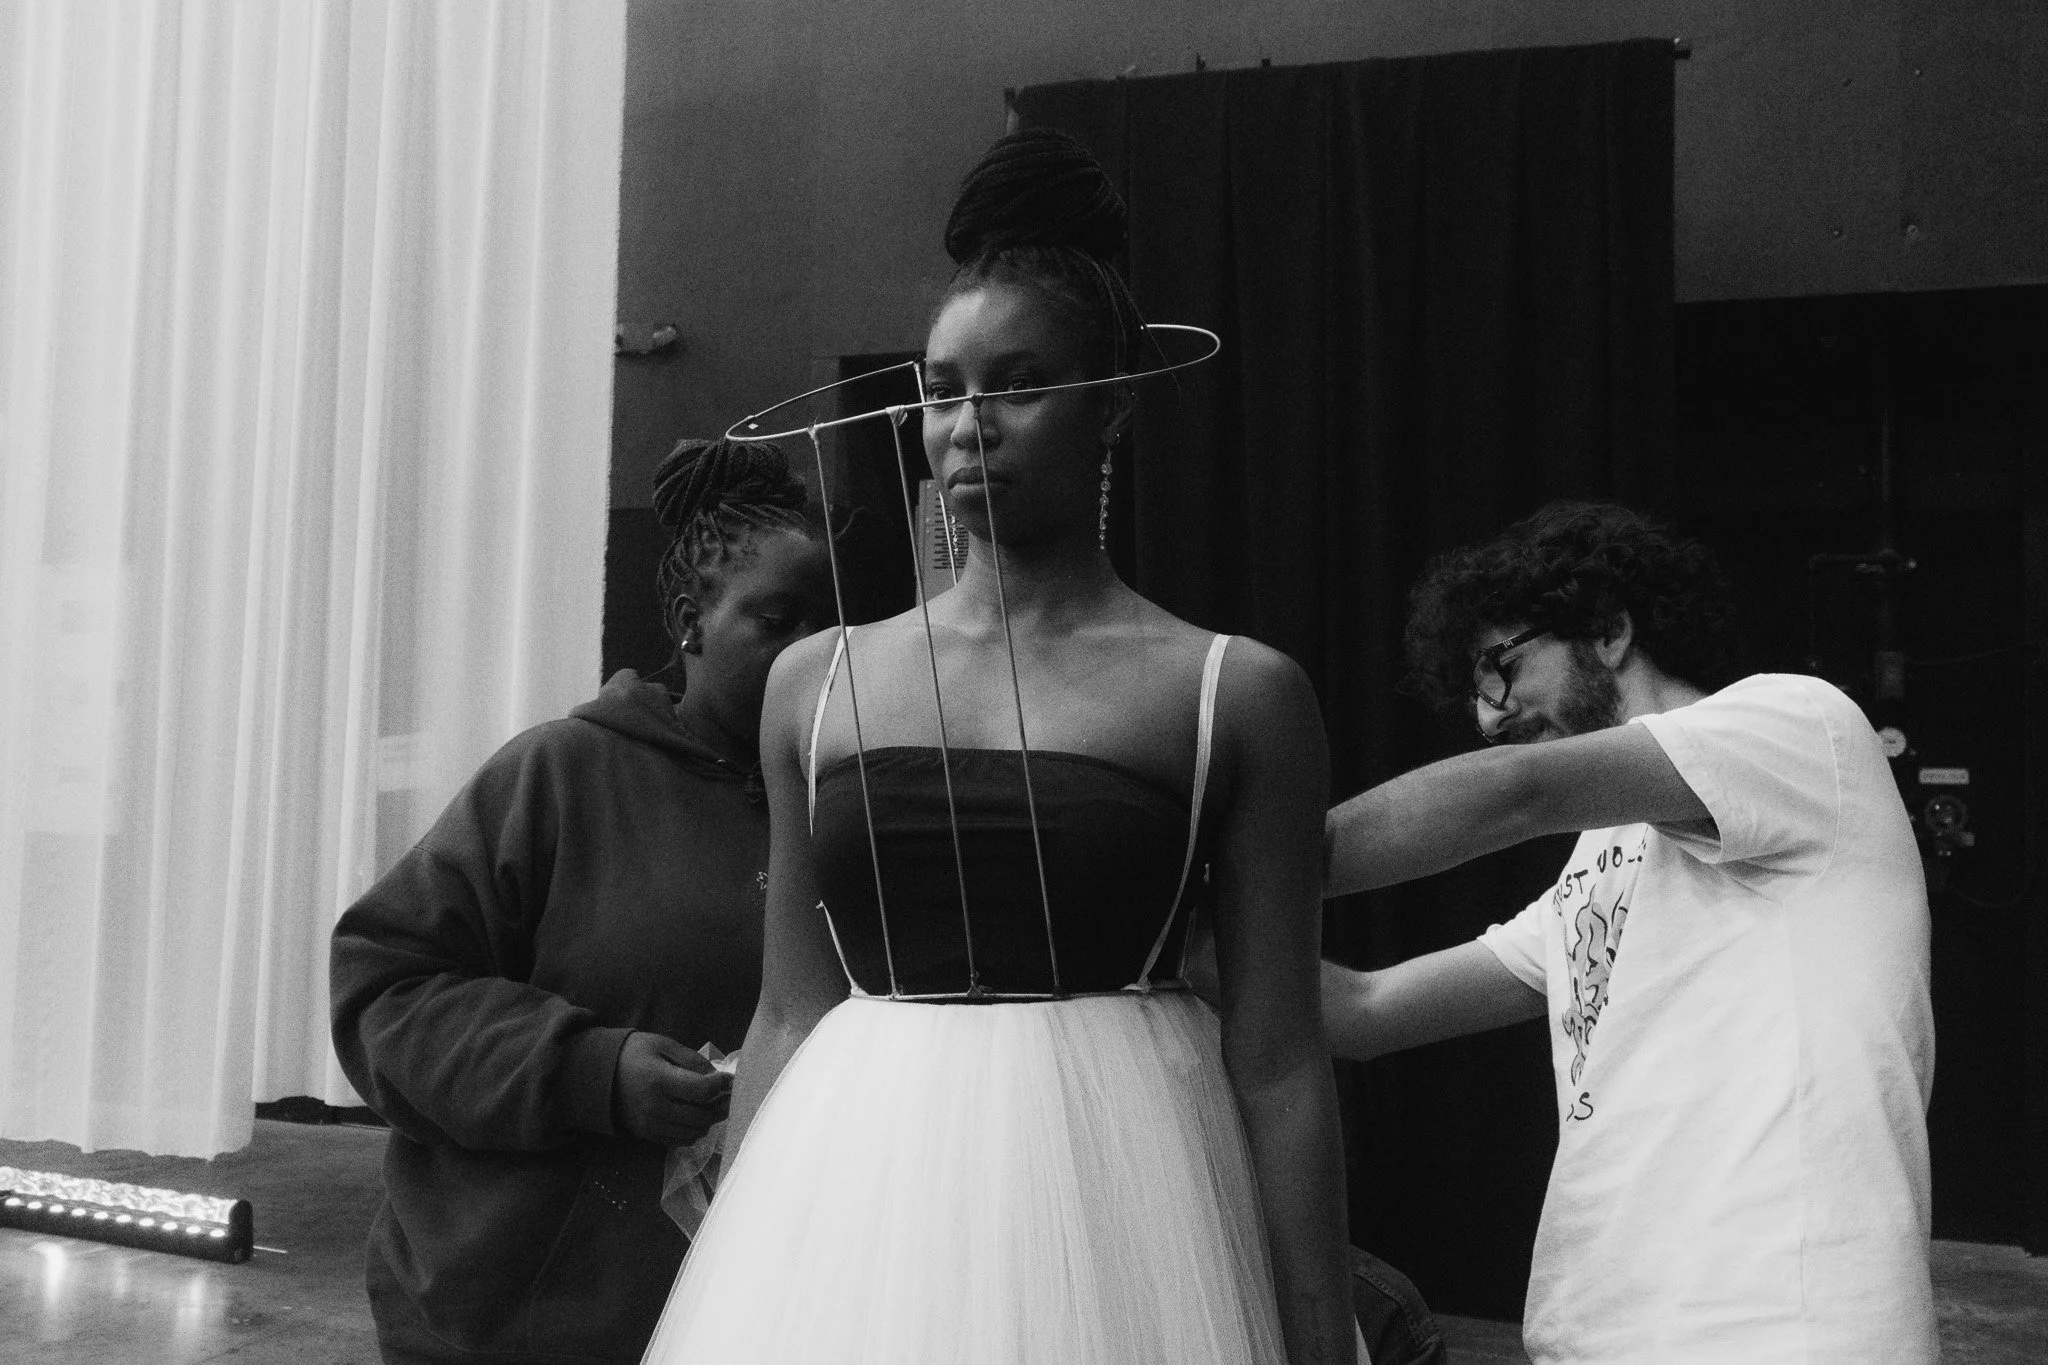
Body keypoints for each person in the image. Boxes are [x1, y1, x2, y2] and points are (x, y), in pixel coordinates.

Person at [640, 128, 1360, 1364]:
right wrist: (732, 1266)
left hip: (1126, 1198)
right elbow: (786, 1009)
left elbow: (1281, 1058)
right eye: (938, 388)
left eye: (1017, 383)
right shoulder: (815, 684)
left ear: (1113, 408)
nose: (966, 424)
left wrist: (1311, 1333)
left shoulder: (1230, 693)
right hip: (855, 1202)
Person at [1320, 501, 1936, 1364]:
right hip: (1603, 1334)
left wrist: (1245, 856)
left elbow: (1513, 791)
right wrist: (1167, 928)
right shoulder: (1598, 863)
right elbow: (1365, 1011)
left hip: (1781, 1328)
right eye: (1471, 693)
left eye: (1500, 665)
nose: (1488, 715)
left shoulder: (1800, 725)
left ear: (1608, 630)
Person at [330, 439, 834, 1365]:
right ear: (691, 621)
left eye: (830, 627)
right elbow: (382, 993)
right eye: (778, 621)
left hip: (727, 1318)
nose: (811, 655)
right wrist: (591, 1071)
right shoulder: (559, 776)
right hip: (510, 1321)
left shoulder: (839, 804)